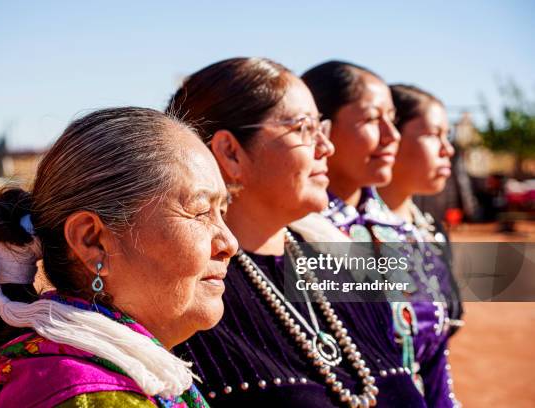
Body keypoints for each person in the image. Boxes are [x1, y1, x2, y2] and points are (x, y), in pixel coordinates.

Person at [167, 57, 426, 407]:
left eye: (323, 127)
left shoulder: (345, 264)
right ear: (231, 152)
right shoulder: (186, 298)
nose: (326, 147)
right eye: (304, 128)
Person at [0, 107, 239, 407]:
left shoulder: (73, 370)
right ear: (93, 241)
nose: (230, 242)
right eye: (200, 211)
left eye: (223, 212)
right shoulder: (89, 395)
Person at [302, 62, 460, 407]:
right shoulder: (288, 235)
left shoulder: (406, 233)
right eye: (374, 119)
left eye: (393, 119)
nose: (393, 136)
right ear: (320, 127)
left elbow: (433, 363)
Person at [378, 84, 463, 407]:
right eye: (433, 134)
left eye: (448, 135)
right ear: (390, 137)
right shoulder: (334, 236)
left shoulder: (430, 234)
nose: (448, 149)